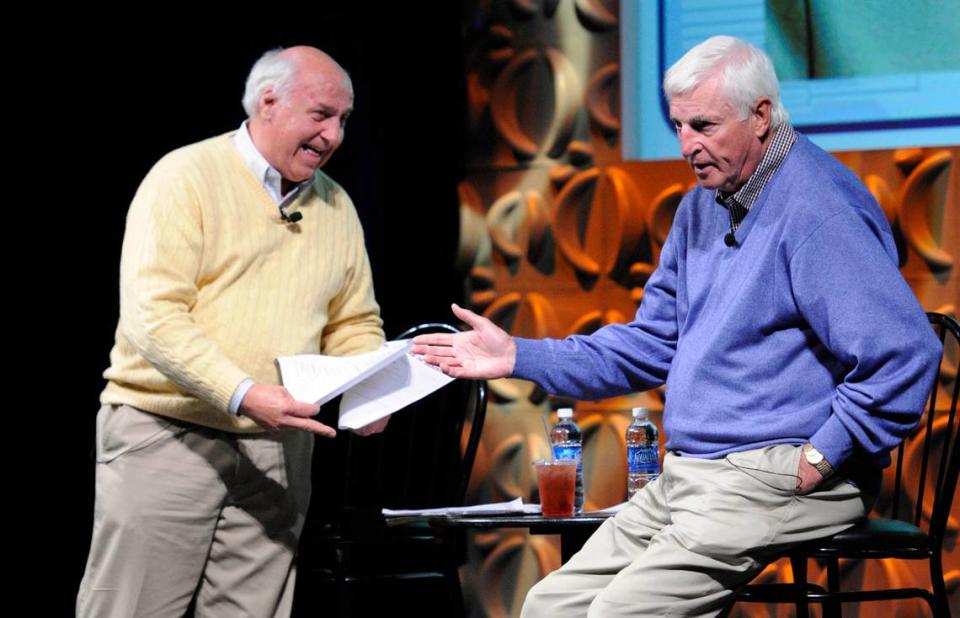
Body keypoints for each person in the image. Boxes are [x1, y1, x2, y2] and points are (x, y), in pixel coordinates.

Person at [412, 36, 942, 617]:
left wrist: (820, 457)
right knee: (550, 604)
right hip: (690, 475)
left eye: (705, 126)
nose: (688, 146)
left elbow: (906, 350)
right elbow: (653, 343)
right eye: (679, 126)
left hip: (775, 474)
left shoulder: (818, 207)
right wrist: (519, 355)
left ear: (760, 116)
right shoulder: (703, 204)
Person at [77, 46, 387, 617]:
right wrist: (244, 394)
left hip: (279, 449)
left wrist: (370, 387)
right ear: (268, 101)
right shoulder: (184, 178)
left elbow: (354, 320)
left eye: (344, 120)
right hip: (169, 432)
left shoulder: (336, 205)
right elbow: (154, 317)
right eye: (321, 115)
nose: (335, 135)